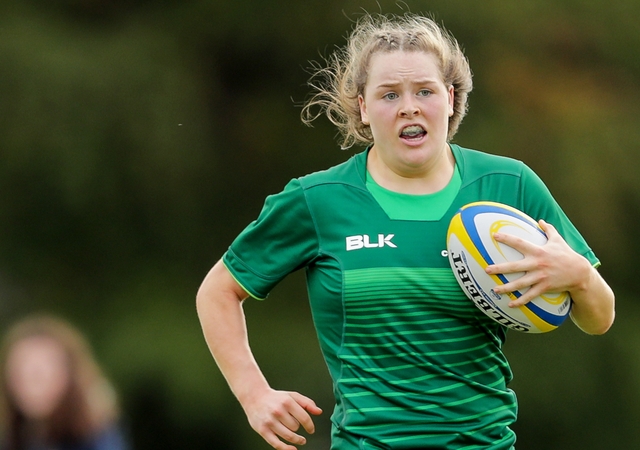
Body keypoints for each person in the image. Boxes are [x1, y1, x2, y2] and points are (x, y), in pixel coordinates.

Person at [196, 12, 615, 450]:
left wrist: (580, 276)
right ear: (362, 107)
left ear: (451, 99)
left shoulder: (508, 186)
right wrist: (253, 395)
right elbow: (218, 292)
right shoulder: (317, 200)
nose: (409, 106)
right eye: (389, 94)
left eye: (425, 91)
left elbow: (599, 317)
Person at [0, 315, 128, 450]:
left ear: (71, 376)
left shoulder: (97, 435)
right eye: (22, 368)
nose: (32, 381)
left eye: (43, 370)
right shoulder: (13, 437)